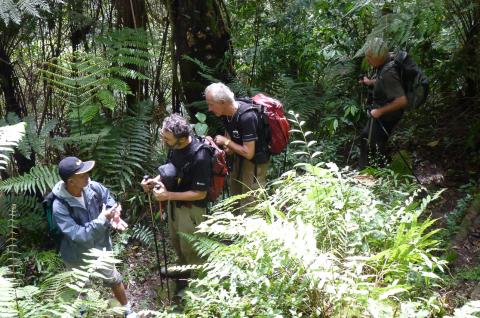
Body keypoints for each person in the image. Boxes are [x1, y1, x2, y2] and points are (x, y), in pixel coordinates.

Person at [52, 156, 136, 318]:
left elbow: (109, 199)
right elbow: (79, 235)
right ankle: (83, 313)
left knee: (114, 279)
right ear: (70, 182)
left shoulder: (93, 187)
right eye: (82, 174)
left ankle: (127, 310)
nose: (87, 175)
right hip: (76, 254)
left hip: (101, 247)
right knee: (80, 287)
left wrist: (114, 213)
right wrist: (103, 220)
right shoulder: (59, 206)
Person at [141, 114, 211, 295]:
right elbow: (171, 168)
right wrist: (154, 182)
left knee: (191, 247)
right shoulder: (174, 147)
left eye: (166, 137)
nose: (163, 139)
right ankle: (182, 273)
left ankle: (198, 289)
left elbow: (200, 193)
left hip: (192, 209)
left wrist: (168, 195)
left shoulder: (200, 156)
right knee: (177, 241)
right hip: (174, 202)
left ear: (180, 139)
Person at [205, 82, 269, 209]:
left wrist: (226, 142)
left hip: (254, 164)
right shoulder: (225, 114)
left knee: (250, 205)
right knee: (235, 202)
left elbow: (249, 152)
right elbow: (229, 132)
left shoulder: (247, 117)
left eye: (211, 104)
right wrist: (227, 147)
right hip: (238, 161)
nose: (209, 109)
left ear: (222, 102)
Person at [358, 38, 408, 169]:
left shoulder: (388, 72)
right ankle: (368, 170)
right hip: (382, 110)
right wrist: (370, 82)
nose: (367, 60)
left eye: (369, 57)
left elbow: (402, 101)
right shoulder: (389, 59)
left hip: (387, 113)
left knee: (374, 142)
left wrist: (379, 111)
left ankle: (375, 173)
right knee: (366, 136)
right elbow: (383, 81)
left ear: (378, 56)